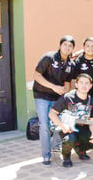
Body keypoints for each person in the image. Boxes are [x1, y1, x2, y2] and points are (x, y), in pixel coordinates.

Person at [48, 73, 93, 167]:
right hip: (67, 129)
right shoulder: (67, 97)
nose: (84, 85)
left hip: (81, 128)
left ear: (90, 86)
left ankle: (81, 150)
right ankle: (66, 156)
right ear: (76, 84)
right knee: (70, 138)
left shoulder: (92, 102)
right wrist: (63, 126)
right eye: (81, 83)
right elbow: (52, 114)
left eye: (87, 83)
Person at [33, 35, 76, 165]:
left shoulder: (71, 64)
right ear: (60, 45)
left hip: (58, 98)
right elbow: (36, 75)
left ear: (72, 48)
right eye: (65, 45)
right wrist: (53, 87)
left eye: (70, 46)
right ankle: (46, 155)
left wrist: (66, 95)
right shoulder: (49, 57)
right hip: (42, 95)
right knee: (45, 125)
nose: (67, 47)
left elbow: (68, 82)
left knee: (60, 123)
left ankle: (55, 145)